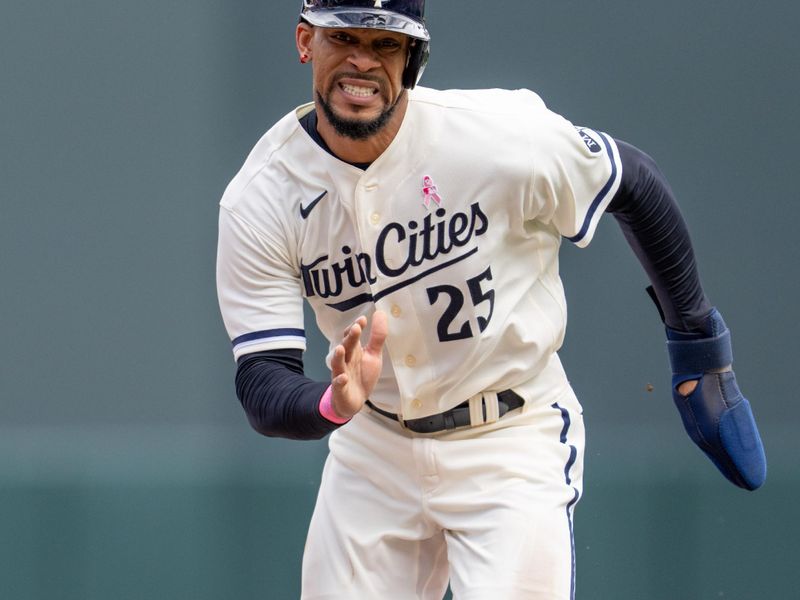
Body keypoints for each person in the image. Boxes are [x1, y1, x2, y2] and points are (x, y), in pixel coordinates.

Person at [215, 1, 767, 598]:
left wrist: (698, 344)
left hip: (509, 436)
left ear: (414, 57)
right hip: (374, 447)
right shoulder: (261, 197)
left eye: (386, 44)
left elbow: (632, 180)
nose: (361, 61)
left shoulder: (496, 137)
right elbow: (262, 380)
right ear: (305, 41)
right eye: (342, 37)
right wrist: (330, 402)